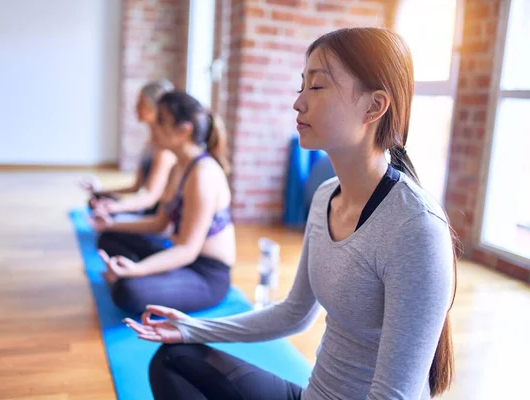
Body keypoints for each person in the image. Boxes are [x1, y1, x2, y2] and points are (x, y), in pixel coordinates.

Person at [125, 27, 458, 400]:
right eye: (302, 86)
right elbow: (294, 313)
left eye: (316, 87)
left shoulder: (416, 228)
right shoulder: (325, 196)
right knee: (173, 358)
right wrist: (192, 329)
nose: (298, 103)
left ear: (374, 106)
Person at [90, 91, 235, 315]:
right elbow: (160, 224)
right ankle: (138, 271)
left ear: (183, 130)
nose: (152, 126)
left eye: (160, 121)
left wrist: (137, 270)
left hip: (205, 275)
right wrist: (110, 223)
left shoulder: (203, 175)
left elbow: (188, 250)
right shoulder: (180, 166)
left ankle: (135, 273)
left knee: (127, 292)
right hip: (180, 257)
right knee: (109, 237)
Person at [80, 79, 176, 216]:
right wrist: (100, 189)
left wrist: (115, 207)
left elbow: (150, 196)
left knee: (107, 233)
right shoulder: (150, 143)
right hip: (143, 205)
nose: (135, 107)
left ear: (154, 108)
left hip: (154, 216)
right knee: (97, 200)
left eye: (140, 103)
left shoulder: (164, 151)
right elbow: (136, 187)